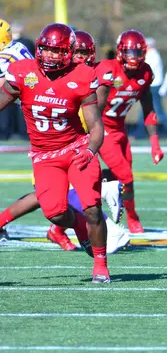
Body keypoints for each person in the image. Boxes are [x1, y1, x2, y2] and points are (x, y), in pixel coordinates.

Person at [0, 30, 130, 254]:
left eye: (84, 53)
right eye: (77, 52)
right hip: (46, 145)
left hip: (77, 141)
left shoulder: (90, 74)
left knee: (70, 197)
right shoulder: (26, 66)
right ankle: (63, 227)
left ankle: (81, 226)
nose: (80, 58)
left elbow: (93, 115)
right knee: (48, 198)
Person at [95, 30, 165, 234]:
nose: (133, 57)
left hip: (120, 129)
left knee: (122, 177)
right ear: (119, 52)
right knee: (126, 177)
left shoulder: (145, 73)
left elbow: (148, 109)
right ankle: (133, 219)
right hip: (102, 128)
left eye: (136, 52)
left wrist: (155, 144)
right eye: (128, 52)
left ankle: (90, 187)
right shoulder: (108, 69)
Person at [0, 19, 33, 141]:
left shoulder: (4, 56)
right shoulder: (18, 45)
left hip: (30, 92)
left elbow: (2, 85)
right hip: (35, 87)